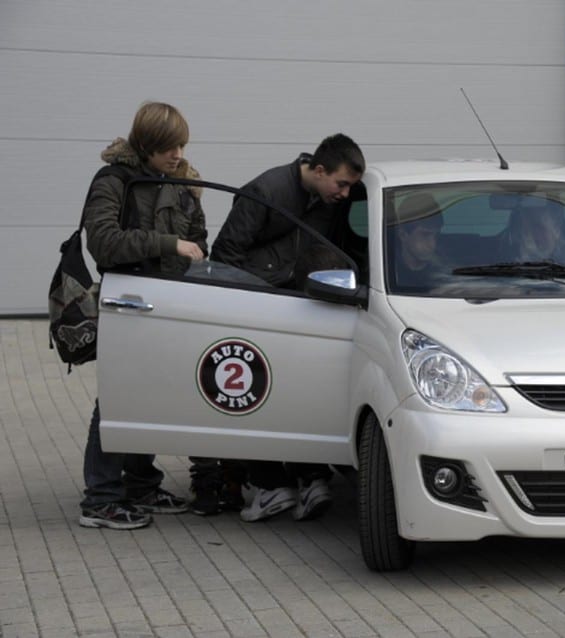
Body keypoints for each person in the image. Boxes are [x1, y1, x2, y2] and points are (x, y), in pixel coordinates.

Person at [211, 133, 365, 522]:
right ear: (317, 170)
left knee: (302, 395)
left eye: (349, 186)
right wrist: (261, 300)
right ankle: (267, 483)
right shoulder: (266, 191)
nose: (344, 194)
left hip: (302, 308)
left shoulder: (326, 201)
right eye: (341, 184)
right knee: (259, 399)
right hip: (260, 311)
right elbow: (225, 256)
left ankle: (309, 479)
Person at [79, 101, 206, 529]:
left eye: (182, 145)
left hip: (168, 306)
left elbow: (199, 238)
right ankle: (100, 499)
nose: (178, 154)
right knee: (117, 398)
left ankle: (140, 483)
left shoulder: (179, 182)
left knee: (148, 397)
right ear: (146, 144)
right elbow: (103, 241)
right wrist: (167, 245)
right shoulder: (113, 181)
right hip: (126, 304)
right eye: (170, 147)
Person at [391, 193, 446, 290]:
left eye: (436, 235)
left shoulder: (445, 271)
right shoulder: (386, 270)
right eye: (425, 235)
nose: (433, 244)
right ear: (403, 235)